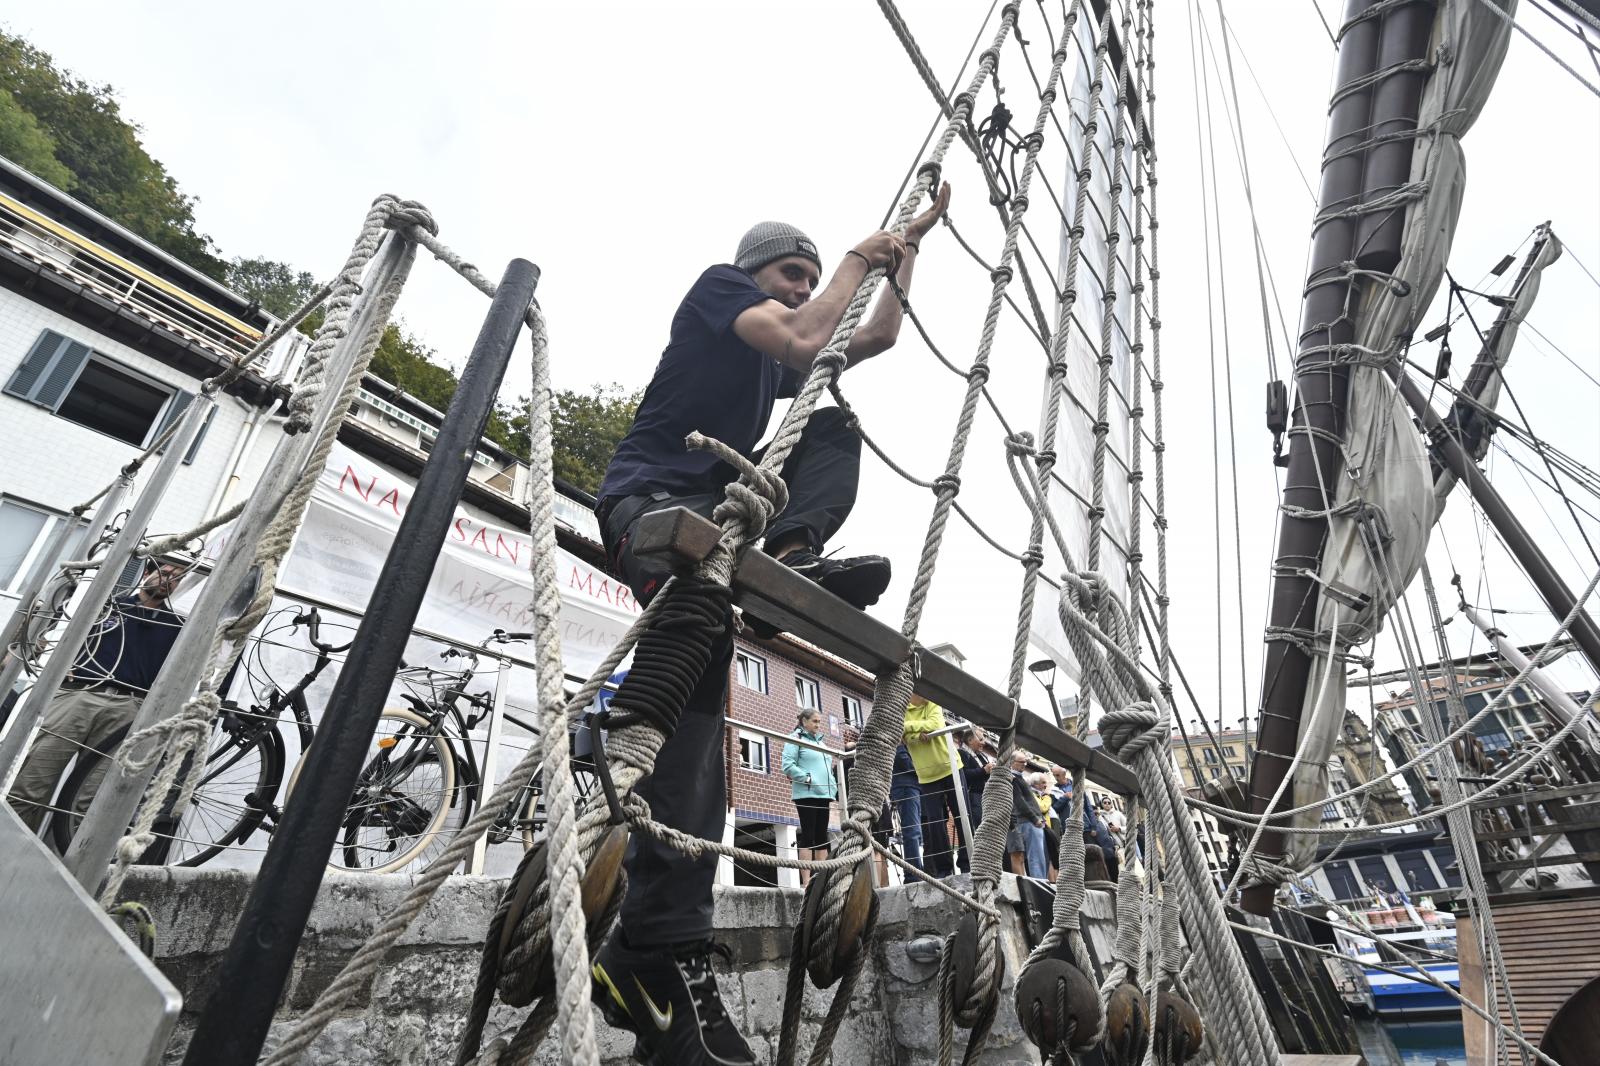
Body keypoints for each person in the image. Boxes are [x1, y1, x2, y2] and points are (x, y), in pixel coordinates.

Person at [589, 190, 953, 1066]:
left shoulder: (784, 359)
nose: (802, 292)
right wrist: (856, 261)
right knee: (679, 688)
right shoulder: (720, 292)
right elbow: (802, 336)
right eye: (791, 275)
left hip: (731, 521)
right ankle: (652, 943)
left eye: (809, 278)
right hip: (655, 501)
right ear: (756, 273)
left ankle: (659, 950)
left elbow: (868, 340)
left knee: (700, 721)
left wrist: (902, 262)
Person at [8, 557, 187, 833]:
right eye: (164, 573)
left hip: (128, 707)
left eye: (176, 578)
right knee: (30, 787)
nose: (168, 580)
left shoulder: (177, 626)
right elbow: (61, 635)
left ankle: (61, 871)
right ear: (147, 573)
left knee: (88, 804)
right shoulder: (107, 605)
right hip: (79, 694)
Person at [903, 693, 966, 877]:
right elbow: (902, 738)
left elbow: (936, 724)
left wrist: (908, 730)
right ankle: (943, 870)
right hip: (927, 775)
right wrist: (916, 735)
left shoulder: (933, 702)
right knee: (936, 825)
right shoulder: (902, 710)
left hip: (951, 767)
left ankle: (967, 863)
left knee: (962, 817)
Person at [780, 709, 837, 887]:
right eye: (814, 721)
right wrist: (807, 778)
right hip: (806, 793)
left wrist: (833, 786)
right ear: (804, 721)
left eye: (819, 722)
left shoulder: (821, 742)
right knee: (808, 836)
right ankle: (806, 883)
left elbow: (828, 767)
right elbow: (787, 765)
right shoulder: (795, 738)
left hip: (824, 794)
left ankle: (820, 881)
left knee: (822, 837)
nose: (818, 725)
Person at [840, 722, 890, 887]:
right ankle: (882, 885)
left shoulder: (842, 764)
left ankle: (874, 885)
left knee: (868, 848)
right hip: (877, 805)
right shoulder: (873, 756)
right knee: (880, 849)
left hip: (858, 808)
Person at [1004, 750, 1046, 878]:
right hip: (1027, 821)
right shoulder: (1014, 779)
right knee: (1035, 857)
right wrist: (1035, 819)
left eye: (1026, 761)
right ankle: (1040, 884)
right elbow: (1019, 801)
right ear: (1012, 762)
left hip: (1029, 820)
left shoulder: (1019, 778)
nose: (1025, 764)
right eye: (1022, 762)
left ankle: (1039, 882)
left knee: (1035, 856)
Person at [889, 742, 924, 871]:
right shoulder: (899, 743)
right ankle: (913, 873)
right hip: (906, 787)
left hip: (911, 787)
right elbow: (902, 759)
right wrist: (923, 769)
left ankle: (915, 870)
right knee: (912, 831)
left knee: (915, 832)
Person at [956, 726, 993, 832]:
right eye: (981, 739)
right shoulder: (962, 753)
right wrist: (983, 770)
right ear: (970, 740)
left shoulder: (982, 756)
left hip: (984, 797)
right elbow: (963, 774)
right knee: (979, 828)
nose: (984, 742)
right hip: (973, 797)